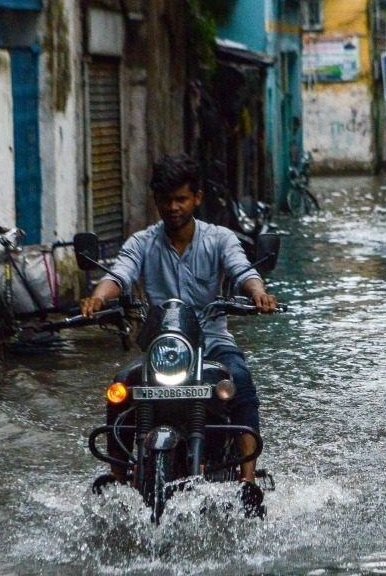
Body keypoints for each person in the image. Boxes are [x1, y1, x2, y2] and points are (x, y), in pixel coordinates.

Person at [79, 153, 277, 509]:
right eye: (166, 200)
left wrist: (258, 293)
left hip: (212, 344)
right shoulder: (141, 242)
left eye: (181, 199)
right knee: (120, 390)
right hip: (160, 351)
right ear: (156, 200)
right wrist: (97, 297)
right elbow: (119, 275)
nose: (173, 207)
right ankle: (118, 478)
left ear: (196, 198)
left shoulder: (219, 239)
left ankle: (247, 482)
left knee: (242, 382)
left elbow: (242, 270)